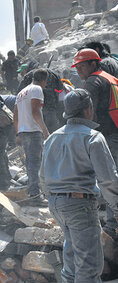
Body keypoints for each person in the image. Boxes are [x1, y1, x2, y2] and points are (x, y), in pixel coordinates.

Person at [40, 88, 118, 283]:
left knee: (72, 251)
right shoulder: (93, 137)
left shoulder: (53, 137)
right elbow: (108, 180)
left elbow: (42, 177)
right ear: (88, 109)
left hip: (57, 204)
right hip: (79, 204)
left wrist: (54, 198)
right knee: (89, 264)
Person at [72, 48, 118, 239]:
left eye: (82, 66)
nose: (79, 71)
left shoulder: (94, 80)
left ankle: (111, 226)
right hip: (113, 131)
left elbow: (86, 110)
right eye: (77, 67)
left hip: (106, 134)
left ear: (93, 63)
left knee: (107, 177)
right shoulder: (109, 77)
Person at [14, 69, 49, 203]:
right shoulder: (37, 90)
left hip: (23, 131)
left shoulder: (21, 92)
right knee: (35, 163)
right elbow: (36, 112)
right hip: (33, 131)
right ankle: (35, 195)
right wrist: (45, 131)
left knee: (30, 163)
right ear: (44, 80)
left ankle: (32, 190)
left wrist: (17, 133)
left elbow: (15, 116)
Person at [17, 67, 64, 132]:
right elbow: (60, 89)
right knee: (52, 132)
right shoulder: (54, 74)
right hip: (50, 108)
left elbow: (20, 92)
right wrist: (53, 90)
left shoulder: (29, 76)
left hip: (33, 110)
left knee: (36, 132)